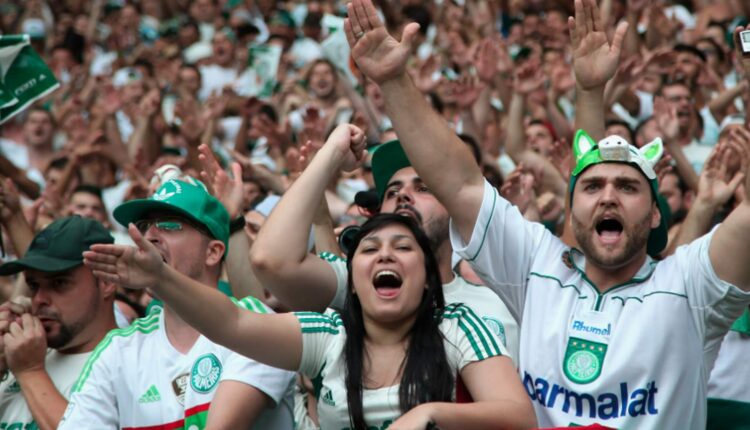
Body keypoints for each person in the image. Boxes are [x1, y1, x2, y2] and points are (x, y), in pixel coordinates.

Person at [340, 0, 750, 428]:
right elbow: (459, 182)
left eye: (628, 187)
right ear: (573, 209)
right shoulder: (537, 265)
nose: (608, 197)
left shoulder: (690, 286)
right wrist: (392, 79)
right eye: (592, 187)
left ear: (653, 216)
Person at [80, 126, 537, 430]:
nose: (386, 256)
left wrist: (430, 415)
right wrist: (160, 279)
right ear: (350, 276)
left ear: (427, 283)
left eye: (403, 249)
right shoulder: (329, 333)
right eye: (372, 249)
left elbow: (520, 417)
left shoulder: (460, 321)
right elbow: (235, 319)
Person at [250, 132, 520, 362]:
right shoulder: (360, 283)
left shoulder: (495, 306)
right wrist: (331, 153)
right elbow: (270, 260)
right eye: (391, 193)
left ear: (454, 208)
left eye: (423, 188)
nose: (403, 195)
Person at [59, 178, 295, 429]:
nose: (149, 235)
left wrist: (161, 276)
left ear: (213, 252)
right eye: (144, 225)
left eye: (169, 225)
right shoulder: (118, 349)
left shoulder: (259, 324)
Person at [0, 216, 118, 430]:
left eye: (59, 283)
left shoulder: (131, 361)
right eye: (33, 285)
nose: (39, 299)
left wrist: (30, 372)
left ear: (107, 281)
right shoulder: (19, 357)